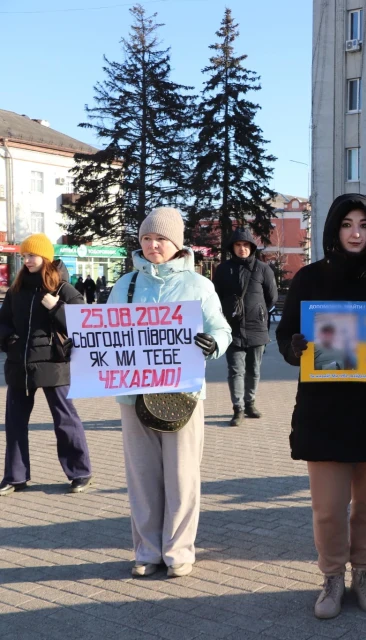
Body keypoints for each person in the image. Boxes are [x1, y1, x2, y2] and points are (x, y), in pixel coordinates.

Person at [276, 193, 366, 620]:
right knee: (327, 506)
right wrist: (295, 346)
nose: (355, 232)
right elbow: (287, 338)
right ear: (334, 230)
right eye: (346, 224)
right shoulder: (309, 280)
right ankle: (331, 577)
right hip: (325, 411)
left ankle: (363, 573)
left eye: (362, 224)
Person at [108, 207, 231, 579]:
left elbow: (221, 329)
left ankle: (178, 551)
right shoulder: (126, 284)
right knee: (142, 478)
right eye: (146, 238)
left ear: (176, 243)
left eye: (159, 238)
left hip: (182, 394)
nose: (151, 245)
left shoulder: (198, 286)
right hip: (134, 395)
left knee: (182, 476)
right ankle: (146, 551)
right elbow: (108, 332)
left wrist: (214, 345)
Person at [0, 234, 94, 497]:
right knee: (15, 423)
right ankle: (15, 476)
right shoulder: (16, 290)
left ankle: (80, 473)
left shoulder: (62, 288)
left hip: (54, 363)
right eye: (24, 256)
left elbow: (84, 323)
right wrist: (7, 338)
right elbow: (3, 320)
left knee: (65, 421)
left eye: (32, 255)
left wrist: (57, 308)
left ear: (46, 257)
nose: (27, 260)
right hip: (20, 364)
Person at [212, 228, 278, 427]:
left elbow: (272, 297)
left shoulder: (263, 269)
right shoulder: (224, 269)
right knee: (235, 371)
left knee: (254, 370)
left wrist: (258, 311)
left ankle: (250, 403)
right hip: (231, 328)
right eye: (238, 245)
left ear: (252, 247)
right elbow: (215, 295)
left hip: (257, 328)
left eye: (246, 245)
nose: (242, 249)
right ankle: (238, 408)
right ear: (233, 248)